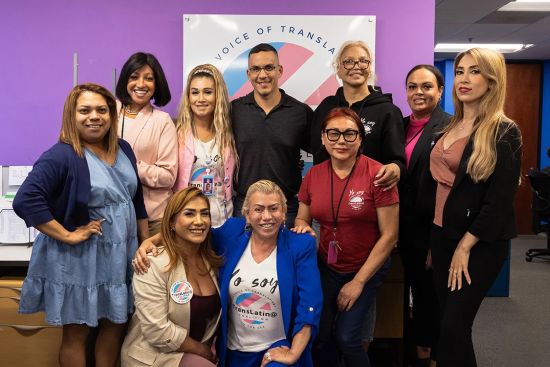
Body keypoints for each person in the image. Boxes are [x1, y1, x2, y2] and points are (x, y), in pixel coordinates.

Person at [13, 83, 149, 367]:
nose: (94, 116)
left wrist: (144, 243)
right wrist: (67, 235)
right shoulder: (61, 155)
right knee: (77, 331)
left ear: (112, 115)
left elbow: (135, 201)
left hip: (121, 254)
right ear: (71, 116)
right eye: (84, 110)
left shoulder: (123, 148)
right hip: (81, 258)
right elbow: (26, 200)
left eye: (102, 110)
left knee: (116, 322)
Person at [134, 180, 323, 367]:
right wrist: (152, 240)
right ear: (247, 215)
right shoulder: (232, 233)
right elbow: (194, 229)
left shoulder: (300, 244)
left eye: (274, 208)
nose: (267, 216)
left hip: (275, 350)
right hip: (232, 351)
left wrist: (293, 353)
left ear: (283, 213)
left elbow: (310, 304)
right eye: (258, 209)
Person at [429, 48, 522, 367]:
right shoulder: (449, 125)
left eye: (474, 71)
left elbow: (498, 203)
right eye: (459, 72)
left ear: (492, 81)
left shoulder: (504, 131)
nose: (464, 79)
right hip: (441, 236)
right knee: (446, 324)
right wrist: (436, 238)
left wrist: (464, 246)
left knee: (456, 326)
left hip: (477, 244)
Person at [293, 107, 399, 367]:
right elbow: (302, 218)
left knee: (348, 338)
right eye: (334, 133)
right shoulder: (313, 175)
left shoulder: (378, 175)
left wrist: (359, 282)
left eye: (350, 134)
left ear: (361, 139)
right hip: (327, 266)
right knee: (321, 335)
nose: (341, 140)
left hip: (365, 266)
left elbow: (390, 236)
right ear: (322, 138)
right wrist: (302, 228)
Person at [121, 187, 222, 367]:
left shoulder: (212, 261)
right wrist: (202, 351)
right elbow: (157, 331)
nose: (199, 221)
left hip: (197, 356)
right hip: (154, 357)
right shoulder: (152, 264)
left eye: (204, 214)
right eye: (189, 214)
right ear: (172, 222)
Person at [399, 65, 451, 367]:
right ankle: (411, 351)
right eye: (413, 86)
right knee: (400, 294)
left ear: (440, 91)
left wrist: (438, 238)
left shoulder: (450, 127)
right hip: (400, 226)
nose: (419, 92)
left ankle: (427, 356)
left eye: (427, 86)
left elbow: (450, 188)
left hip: (430, 229)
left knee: (426, 296)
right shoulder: (401, 125)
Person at [231, 43, 313, 225]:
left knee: (286, 254)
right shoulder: (233, 111)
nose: (262, 75)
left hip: (287, 207)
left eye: (269, 68)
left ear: (280, 70)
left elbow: (324, 155)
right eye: (255, 69)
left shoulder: (300, 112)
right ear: (248, 74)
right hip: (243, 205)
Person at [311, 40, 405, 190]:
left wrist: (395, 168)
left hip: (370, 195)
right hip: (327, 193)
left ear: (369, 67)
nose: (356, 66)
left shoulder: (388, 111)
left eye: (363, 61)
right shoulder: (326, 107)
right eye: (348, 62)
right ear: (338, 69)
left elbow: (397, 160)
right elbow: (315, 148)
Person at [116, 52, 178, 235]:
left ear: (157, 84)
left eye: (149, 78)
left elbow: (168, 176)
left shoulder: (162, 121)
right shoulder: (109, 113)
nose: (141, 84)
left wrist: (128, 166)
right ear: (125, 80)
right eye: (134, 77)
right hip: (115, 216)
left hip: (153, 219)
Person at [173, 64, 237, 227]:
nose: (200, 99)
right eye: (195, 92)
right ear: (188, 97)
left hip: (222, 220)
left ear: (218, 96)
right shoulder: (175, 134)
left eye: (208, 92)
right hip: (188, 223)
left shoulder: (230, 134)